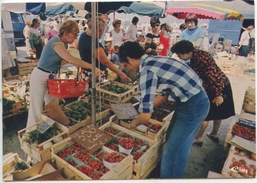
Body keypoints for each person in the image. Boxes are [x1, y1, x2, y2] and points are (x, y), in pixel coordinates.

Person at [119, 41, 210, 178]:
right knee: (172, 140)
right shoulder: (154, 60)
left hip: (193, 105)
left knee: (174, 151)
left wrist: (133, 124)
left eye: (126, 65)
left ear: (131, 59)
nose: (127, 68)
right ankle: (167, 174)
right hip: (191, 101)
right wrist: (143, 107)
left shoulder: (146, 72)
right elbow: (162, 97)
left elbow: (145, 118)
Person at [26, 20, 102, 130]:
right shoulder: (56, 42)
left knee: (53, 106)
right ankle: (31, 136)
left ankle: (45, 130)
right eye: (75, 34)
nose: (76, 37)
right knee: (36, 108)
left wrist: (61, 61)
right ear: (66, 33)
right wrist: (91, 67)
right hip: (40, 76)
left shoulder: (63, 44)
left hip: (51, 78)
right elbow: (71, 59)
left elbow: (64, 59)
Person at [171, 40, 235, 146]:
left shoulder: (200, 58)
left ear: (185, 52)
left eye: (179, 54)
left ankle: (198, 138)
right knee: (218, 111)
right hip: (222, 84)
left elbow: (212, 76)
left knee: (205, 114)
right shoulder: (197, 54)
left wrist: (218, 94)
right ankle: (214, 133)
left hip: (216, 86)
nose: (179, 57)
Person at [78, 16, 131, 82]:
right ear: (94, 30)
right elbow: (106, 62)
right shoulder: (93, 43)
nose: (101, 33)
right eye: (100, 31)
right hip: (93, 75)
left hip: (85, 73)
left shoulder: (83, 36)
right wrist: (121, 74)